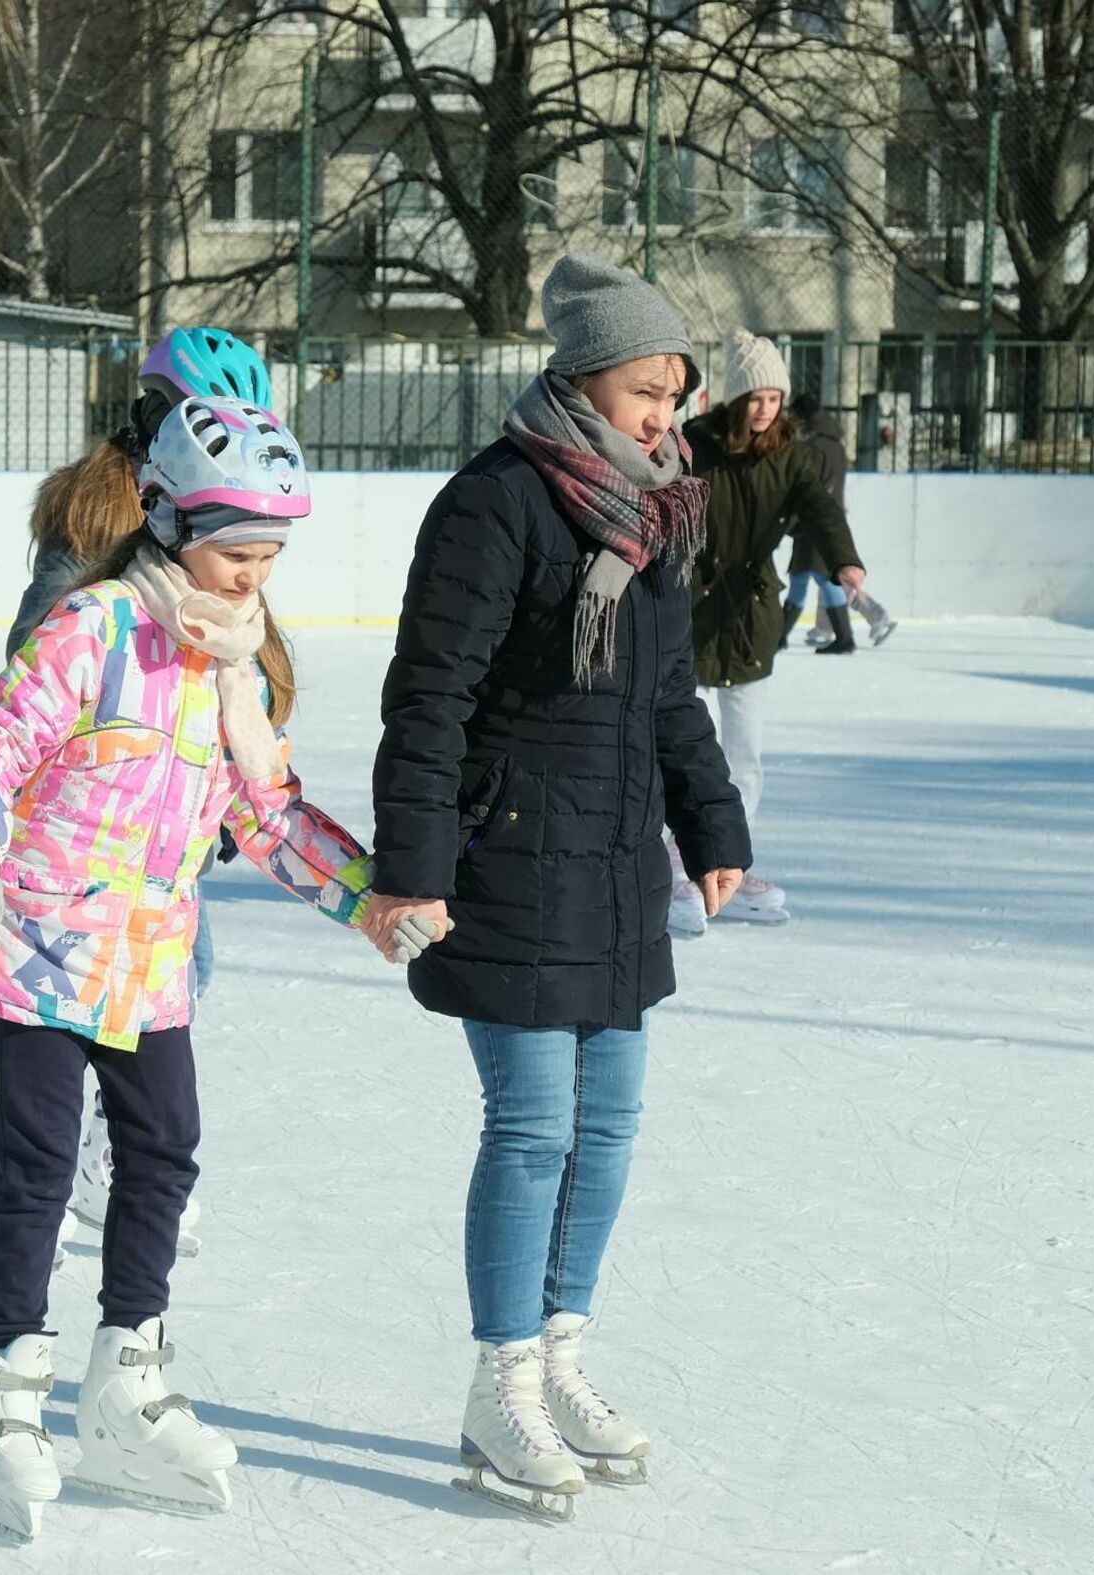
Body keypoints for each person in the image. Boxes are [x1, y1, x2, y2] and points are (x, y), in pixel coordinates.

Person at [0, 395, 379, 1543]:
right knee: (36, 1166)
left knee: (163, 1153)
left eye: (270, 558)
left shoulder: (232, 668)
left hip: (149, 957)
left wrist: (367, 901)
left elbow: (268, 815)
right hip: (33, 941)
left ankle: (126, 1376)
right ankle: (4, 1397)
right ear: (173, 521)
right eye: (238, 553)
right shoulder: (92, 631)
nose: (252, 579)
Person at [363, 251, 751, 1520]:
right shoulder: (496, 505)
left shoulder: (655, 512)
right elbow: (429, 703)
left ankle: (563, 1355)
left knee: (612, 1123)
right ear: (584, 379)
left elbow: (669, 700)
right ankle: (502, 1383)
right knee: (533, 1129)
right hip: (509, 858)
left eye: (676, 394)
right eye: (649, 390)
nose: (666, 416)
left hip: (618, 861)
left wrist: (712, 822)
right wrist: (413, 869)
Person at [0, 326, 275, 1264]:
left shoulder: (221, 506)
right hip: (79, 832)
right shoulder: (100, 526)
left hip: (169, 816)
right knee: (64, 1019)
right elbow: (34, 666)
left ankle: (100, 1159)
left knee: (175, 986)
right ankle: (21, 1168)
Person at [672, 331, 866, 933]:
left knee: (743, 753)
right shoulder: (696, 446)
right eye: (756, 395)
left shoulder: (793, 456)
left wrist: (844, 560)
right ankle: (676, 868)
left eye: (775, 397)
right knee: (676, 748)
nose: (765, 408)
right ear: (735, 397)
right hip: (686, 611)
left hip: (751, 617)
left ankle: (727, 861)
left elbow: (822, 510)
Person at [785, 392, 898, 651]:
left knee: (825, 577)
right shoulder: (834, 444)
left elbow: (808, 485)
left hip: (815, 519)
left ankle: (868, 622)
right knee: (821, 575)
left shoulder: (813, 446)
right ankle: (825, 630)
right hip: (830, 516)